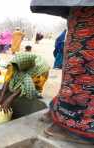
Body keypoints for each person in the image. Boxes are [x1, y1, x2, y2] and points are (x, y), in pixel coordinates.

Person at [31, 1, 94, 143]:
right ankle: (61, 111)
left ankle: (80, 126)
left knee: (81, 66)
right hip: (80, 13)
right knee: (72, 66)